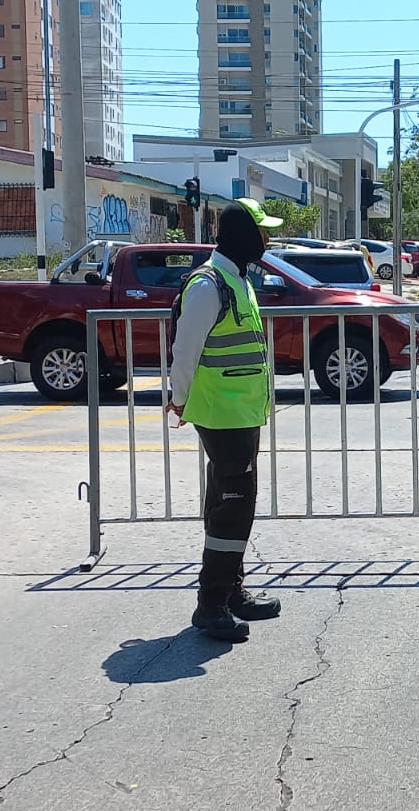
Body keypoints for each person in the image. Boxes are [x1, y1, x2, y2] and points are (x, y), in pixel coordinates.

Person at [167, 198, 286, 643]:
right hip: (221, 412)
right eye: (262, 232)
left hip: (241, 411)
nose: (267, 240)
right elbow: (185, 350)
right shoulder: (208, 284)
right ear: (243, 235)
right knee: (234, 504)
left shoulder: (237, 280)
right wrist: (179, 399)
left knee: (229, 499)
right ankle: (211, 603)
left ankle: (231, 591)